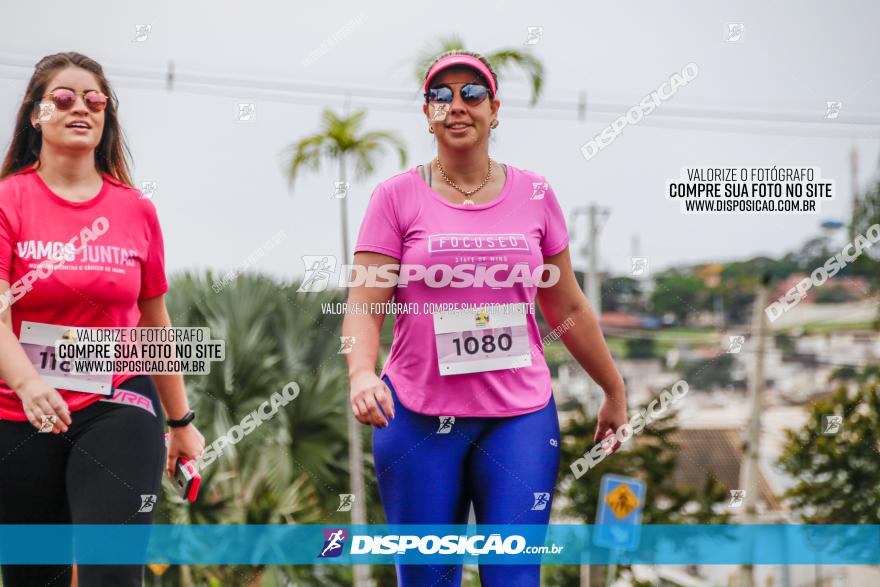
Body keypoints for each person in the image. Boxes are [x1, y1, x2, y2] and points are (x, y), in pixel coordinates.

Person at [343, 50, 628, 586]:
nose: (457, 106)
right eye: (441, 95)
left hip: (517, 415)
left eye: (471, 94)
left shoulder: (536, 194)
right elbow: (365, 306)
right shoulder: (395, 197)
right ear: (426, 112)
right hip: (417, 417)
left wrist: (613, 390)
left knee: (514, 576)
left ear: (494, 109)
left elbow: (566, 305)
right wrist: (361, 372)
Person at [0, 51, 204, 586]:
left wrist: (181, 423)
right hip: (19, 413)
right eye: (63, 99)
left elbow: (154, 324)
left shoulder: (136, 210)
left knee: (110, 572)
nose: (81, 108)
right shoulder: (8, 201)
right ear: (35, 115)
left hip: (116, 400)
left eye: (95, 100)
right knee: (31, 576)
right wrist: (27, 384)